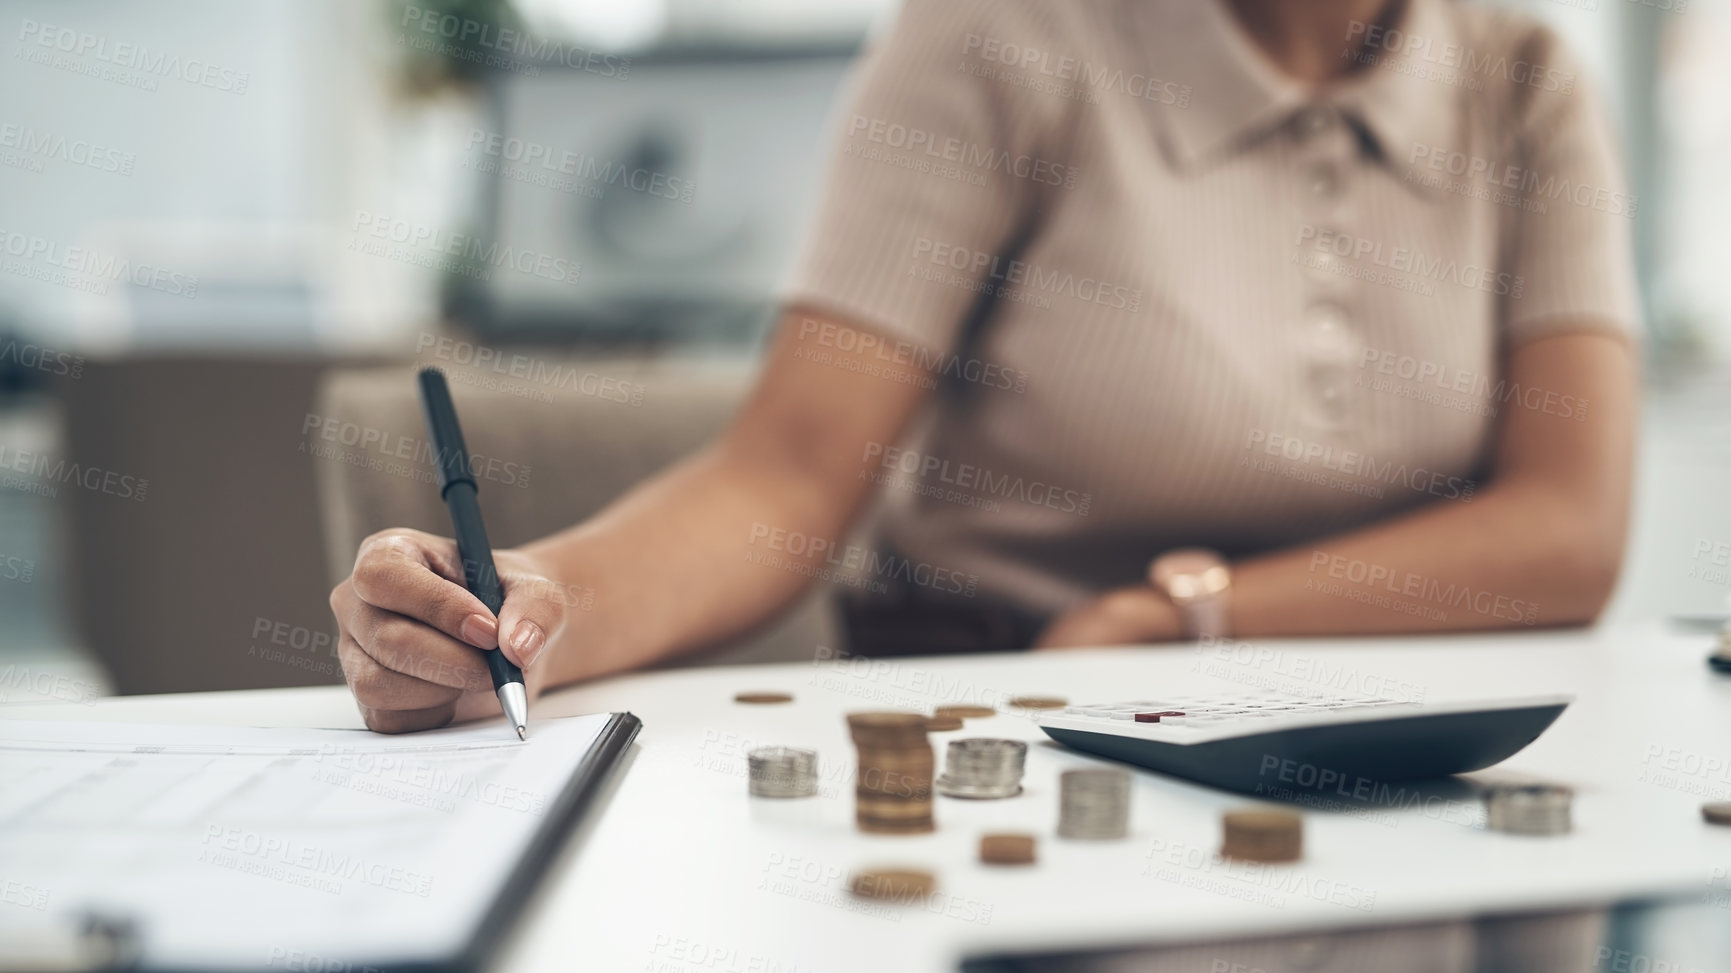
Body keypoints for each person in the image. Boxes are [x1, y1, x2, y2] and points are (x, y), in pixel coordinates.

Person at [330, 0, 1639, 734]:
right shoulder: (997, 35)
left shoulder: (1524, 79)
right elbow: (784, 480)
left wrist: (1182, 614)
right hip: (1011, 703)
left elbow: (1568, 529)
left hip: (1410, 728)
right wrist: (545, 597)